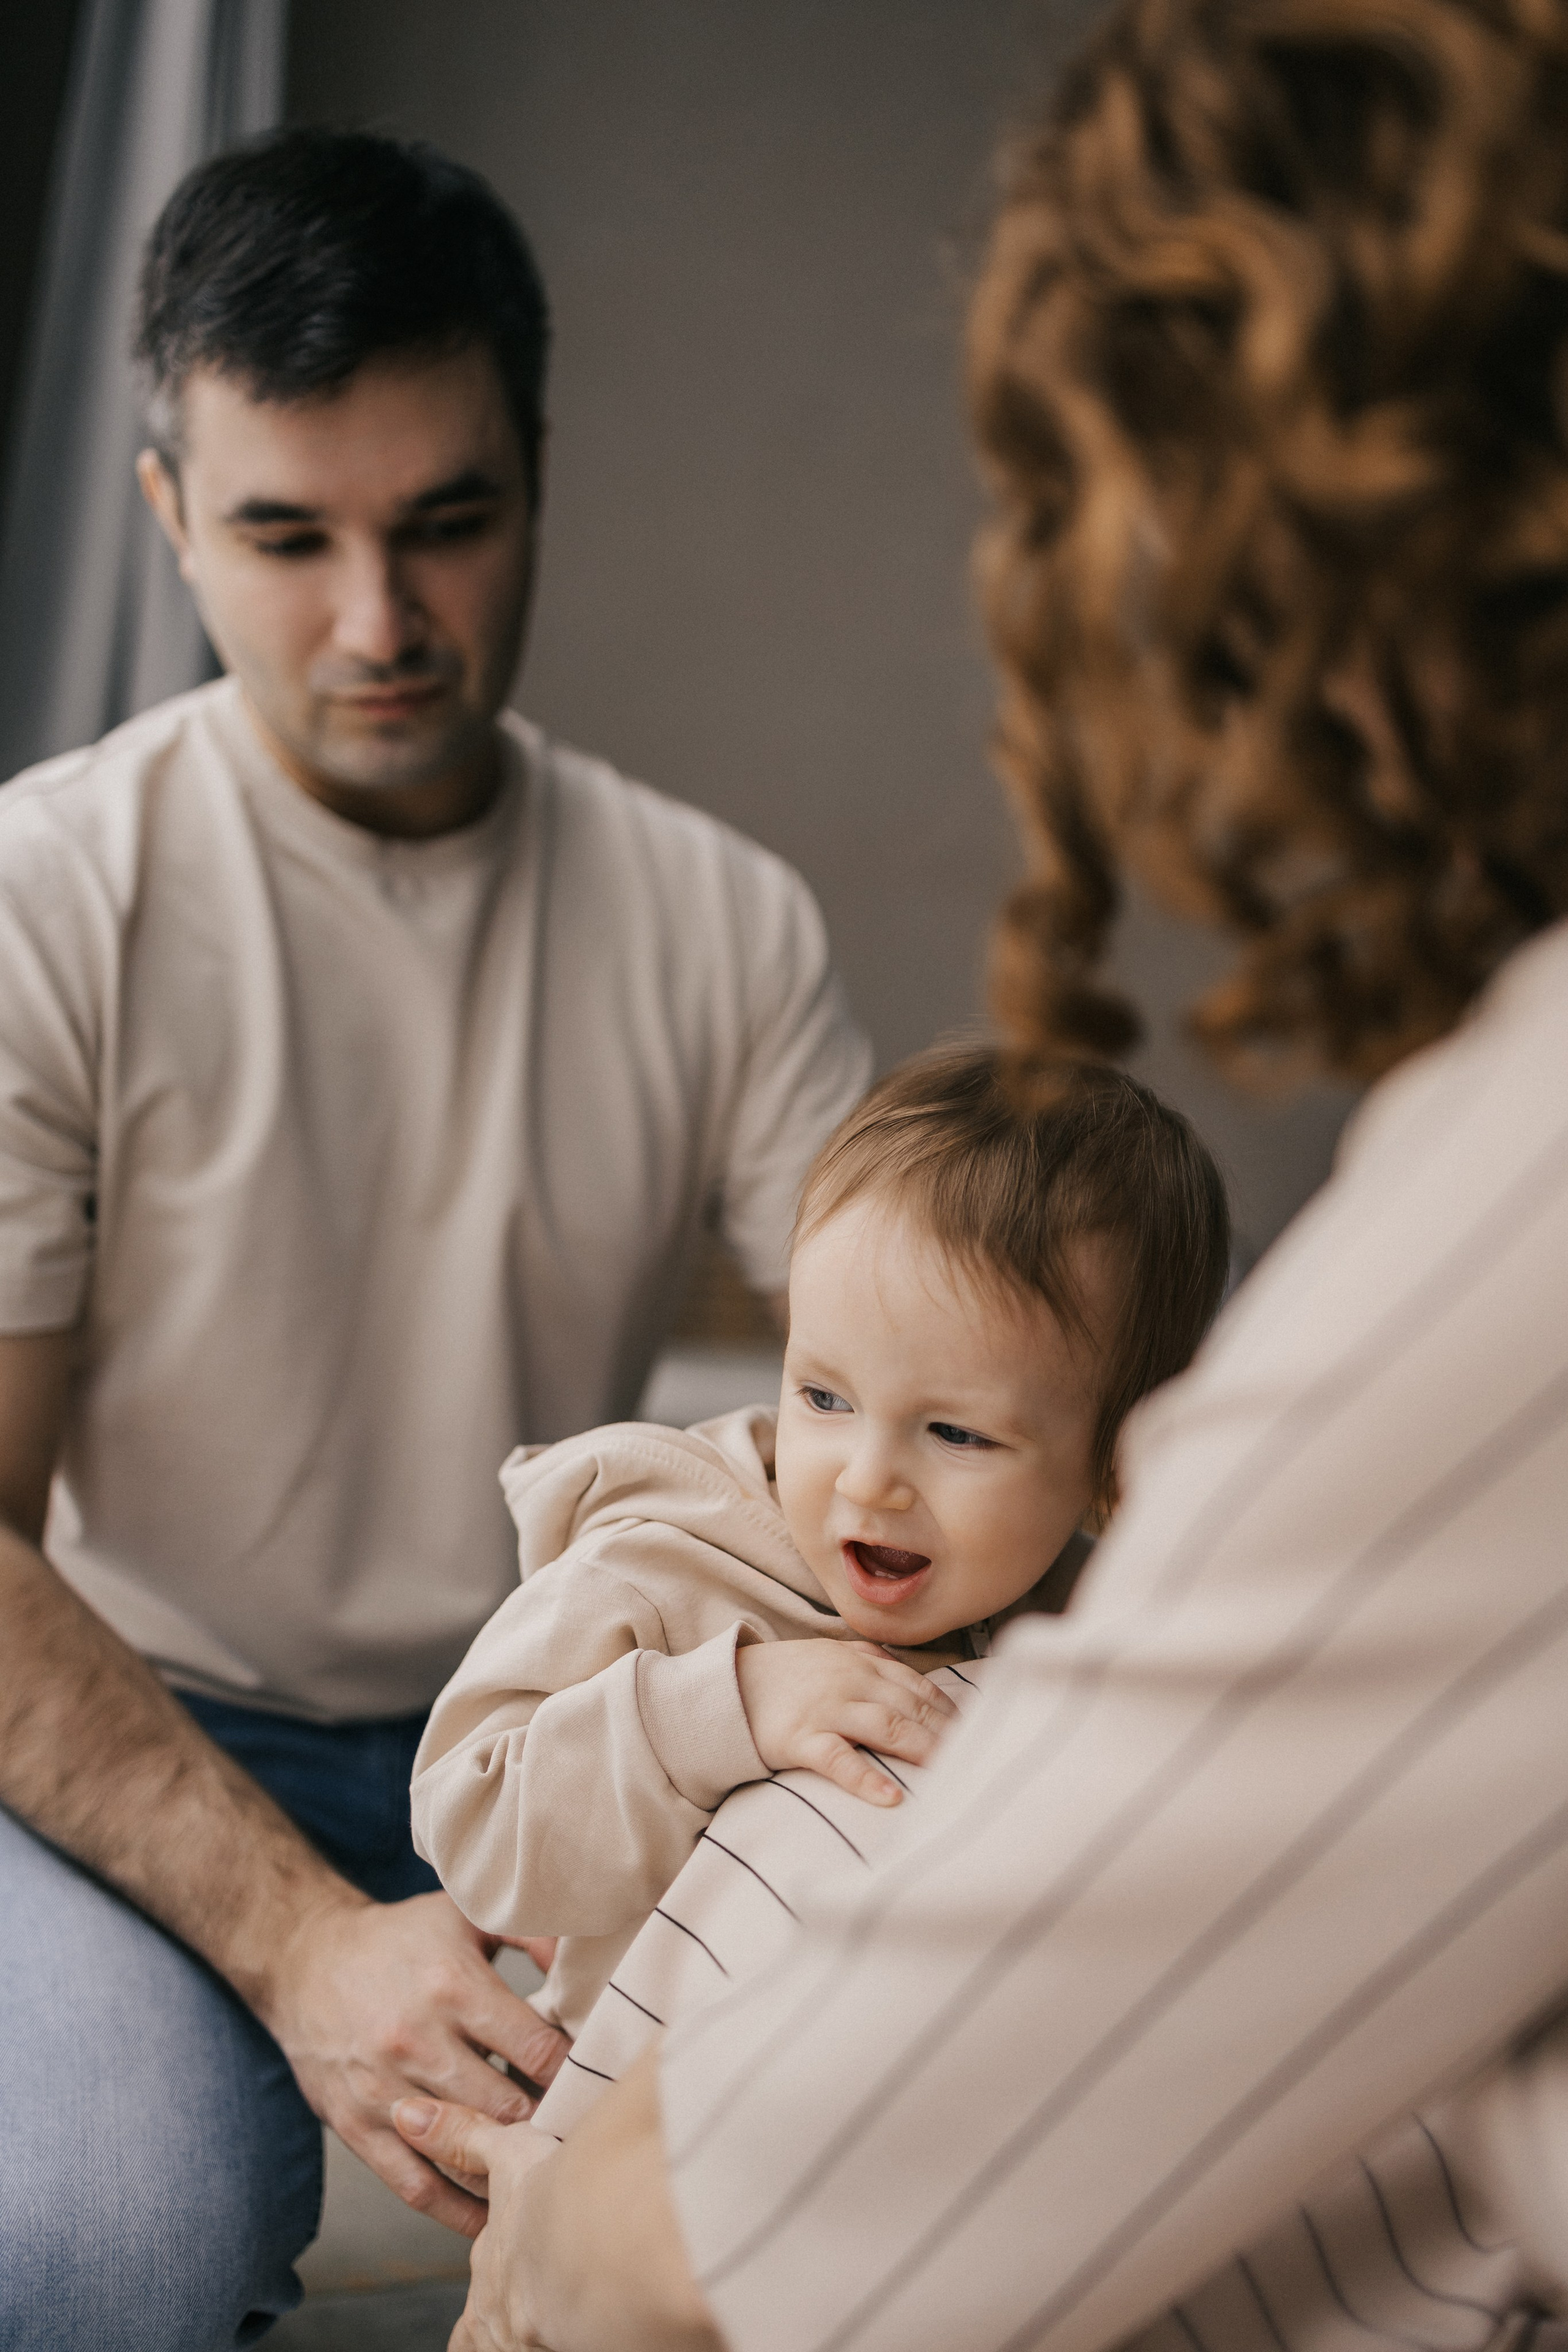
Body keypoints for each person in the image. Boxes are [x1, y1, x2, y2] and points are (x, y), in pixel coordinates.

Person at [387, 1, 1568, 2346]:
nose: (866, 1476)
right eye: (831, 1399)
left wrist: (602, 2233)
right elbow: (506, 1795)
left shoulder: (1492, 1245)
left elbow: (932, 2102)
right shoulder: (704, 1537)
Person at [0, 127, 870, 2351]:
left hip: (553, 1717)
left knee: (881, 2162)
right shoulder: (46, 895)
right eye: (288, 537)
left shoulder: (719, 921)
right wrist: (299, 1946)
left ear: (538, 477)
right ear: (171, 513)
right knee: (108, 2250)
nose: (380, 625)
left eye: (448, 525)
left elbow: (940, 1396)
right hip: (134, 1722)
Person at [409, 1047, 1229, 2040]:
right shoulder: (657, 1563)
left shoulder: (1089, 1625)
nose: (867, 1479)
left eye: (957, 1433)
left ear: (1113, 1465)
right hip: (624, 2141)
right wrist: (732, 1707)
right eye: (825, 1397)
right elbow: (470, 1822)